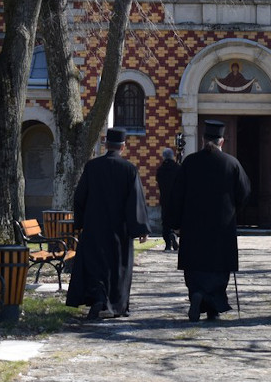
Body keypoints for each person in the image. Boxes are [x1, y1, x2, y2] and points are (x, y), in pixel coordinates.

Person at [165, 119, 251, 322]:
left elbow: (176, 195)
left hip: (193, 226)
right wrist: (233, 211)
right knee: (218, 268)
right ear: (222, 142)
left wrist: (175, 223)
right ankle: (211, 304)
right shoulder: (231, 163)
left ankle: (197, 293)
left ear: (203, 140)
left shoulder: (190, 162)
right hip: (222, 227)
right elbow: (245, 192)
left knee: (195, 267)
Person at [65, 127, 150, 319]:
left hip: (94, 227)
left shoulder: (92, 167)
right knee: (117, 267)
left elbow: (79, 197)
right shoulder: (129, 169)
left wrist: (79, 222)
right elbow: (135, 201)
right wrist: (140, 229)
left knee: (96, 265)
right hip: (119, 230)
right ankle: (117, 306)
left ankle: (98, 299)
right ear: (123, 146)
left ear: (106, 145)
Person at [156, 148, 180, 251]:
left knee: (165, 221)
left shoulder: (160, 170)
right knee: (176, 219)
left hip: (164, 199)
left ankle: (167, 244)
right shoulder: (178, 168)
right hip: (176, 199)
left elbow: (159, 182)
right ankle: (174, 235)